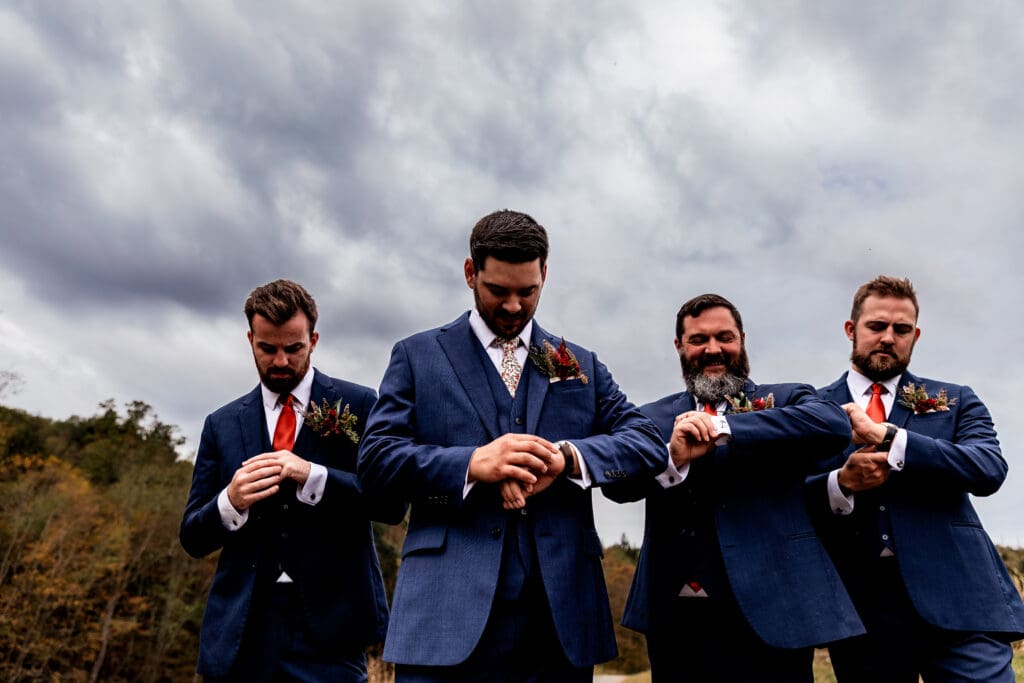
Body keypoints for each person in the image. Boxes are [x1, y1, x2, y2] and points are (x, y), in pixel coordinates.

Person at [356, 210, 666, 682]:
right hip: (444, 615)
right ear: (469, 273)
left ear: (545, 275)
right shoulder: (416, 356)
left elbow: (645, 443)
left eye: (528, 291)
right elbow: (376, 460)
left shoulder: (580, 363)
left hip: (560, 617)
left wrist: (566, 458)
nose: (515, 307)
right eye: (498, 291)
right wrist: (472, 464)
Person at [604, 293, 863, 682]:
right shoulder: (648, 419)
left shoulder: (787, 399)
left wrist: (725, 429)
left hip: (779, 613)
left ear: (742, 338)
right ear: (679, 346)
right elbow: (616, 486)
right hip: (678, 616)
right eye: (698, 340)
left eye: (724, 337)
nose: (713, 350)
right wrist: (672, 459)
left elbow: (833, 426)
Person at [180, 279, 403, 682]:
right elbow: (193, 537)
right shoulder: (221, 424)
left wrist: (315, 476)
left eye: (293, 348)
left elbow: (391, 504)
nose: (280, 361)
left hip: (331, 634)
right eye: (267, 348)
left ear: (313, 340)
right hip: (240, 634)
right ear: (250, 339)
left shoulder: (361, 404)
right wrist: (230, 501)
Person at [810, 275, 1024, 682]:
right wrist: (841, 483)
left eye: (901, 329)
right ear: (851, 330)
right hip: (861, 611)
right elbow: (787, 495)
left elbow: (988, 468)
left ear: (915, 335)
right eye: (877, 326)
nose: (889, 338)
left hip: (962, 601)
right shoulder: (809, 407)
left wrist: (893, 439)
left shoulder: (956, 399)